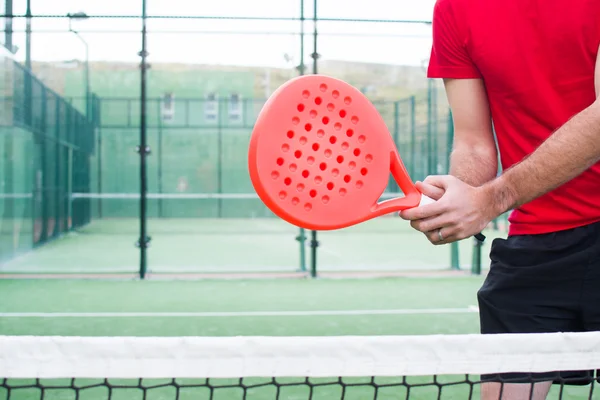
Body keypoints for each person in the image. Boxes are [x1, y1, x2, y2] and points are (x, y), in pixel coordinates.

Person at [399, 0, 600, 399]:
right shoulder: (456, 9)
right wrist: (459, 195)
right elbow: (473, 143)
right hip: (537, 243)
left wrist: (491, 199)